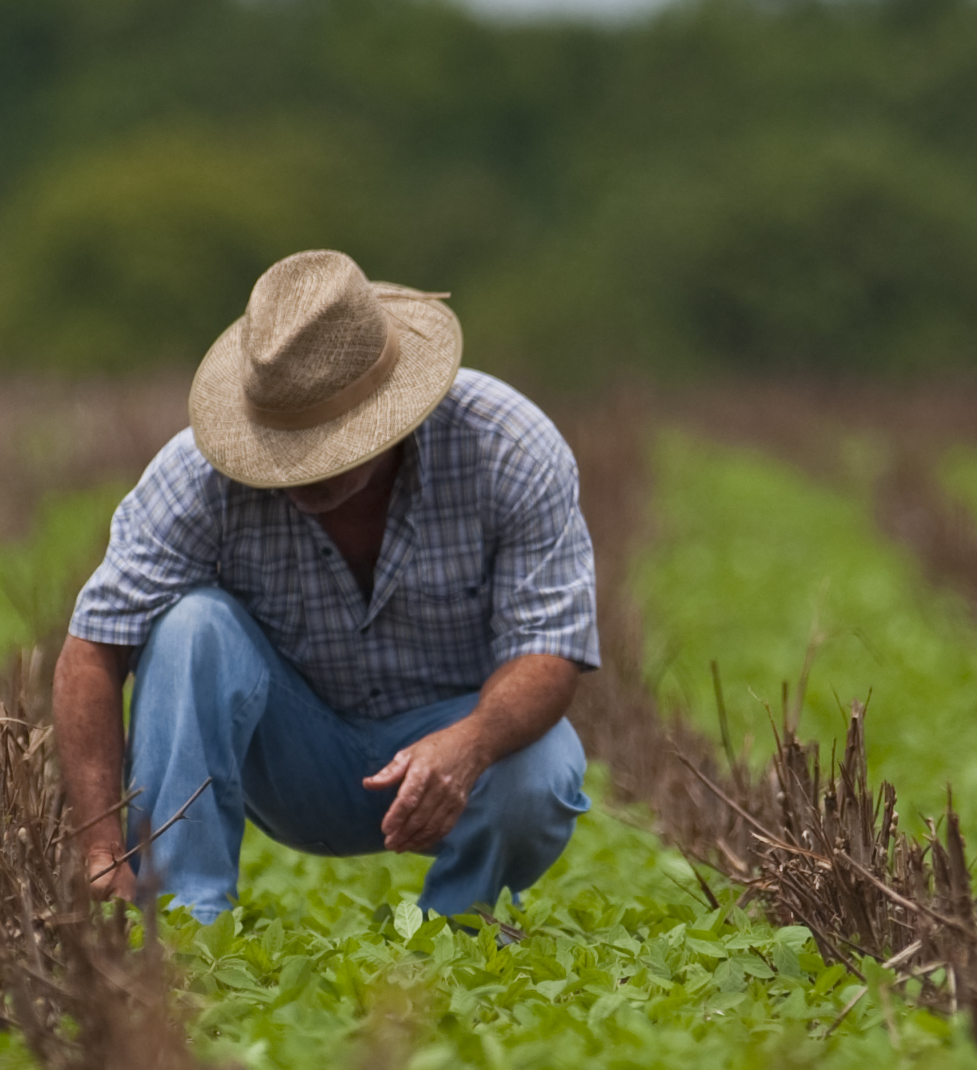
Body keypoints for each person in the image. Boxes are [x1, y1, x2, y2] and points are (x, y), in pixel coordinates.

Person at [55, 249, 599, 921]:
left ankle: (460, 928)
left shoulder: (509, 448)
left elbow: (550, 647)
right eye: (287, 444)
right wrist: (101, 848)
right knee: (191, 626)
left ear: (392, 407)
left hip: (454, 746)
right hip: (294, 759)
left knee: (541, 766)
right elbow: (91, 648)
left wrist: (472, 742)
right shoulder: (196, 476)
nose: (304, 471)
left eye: (330, 440)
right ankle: (182, 920)